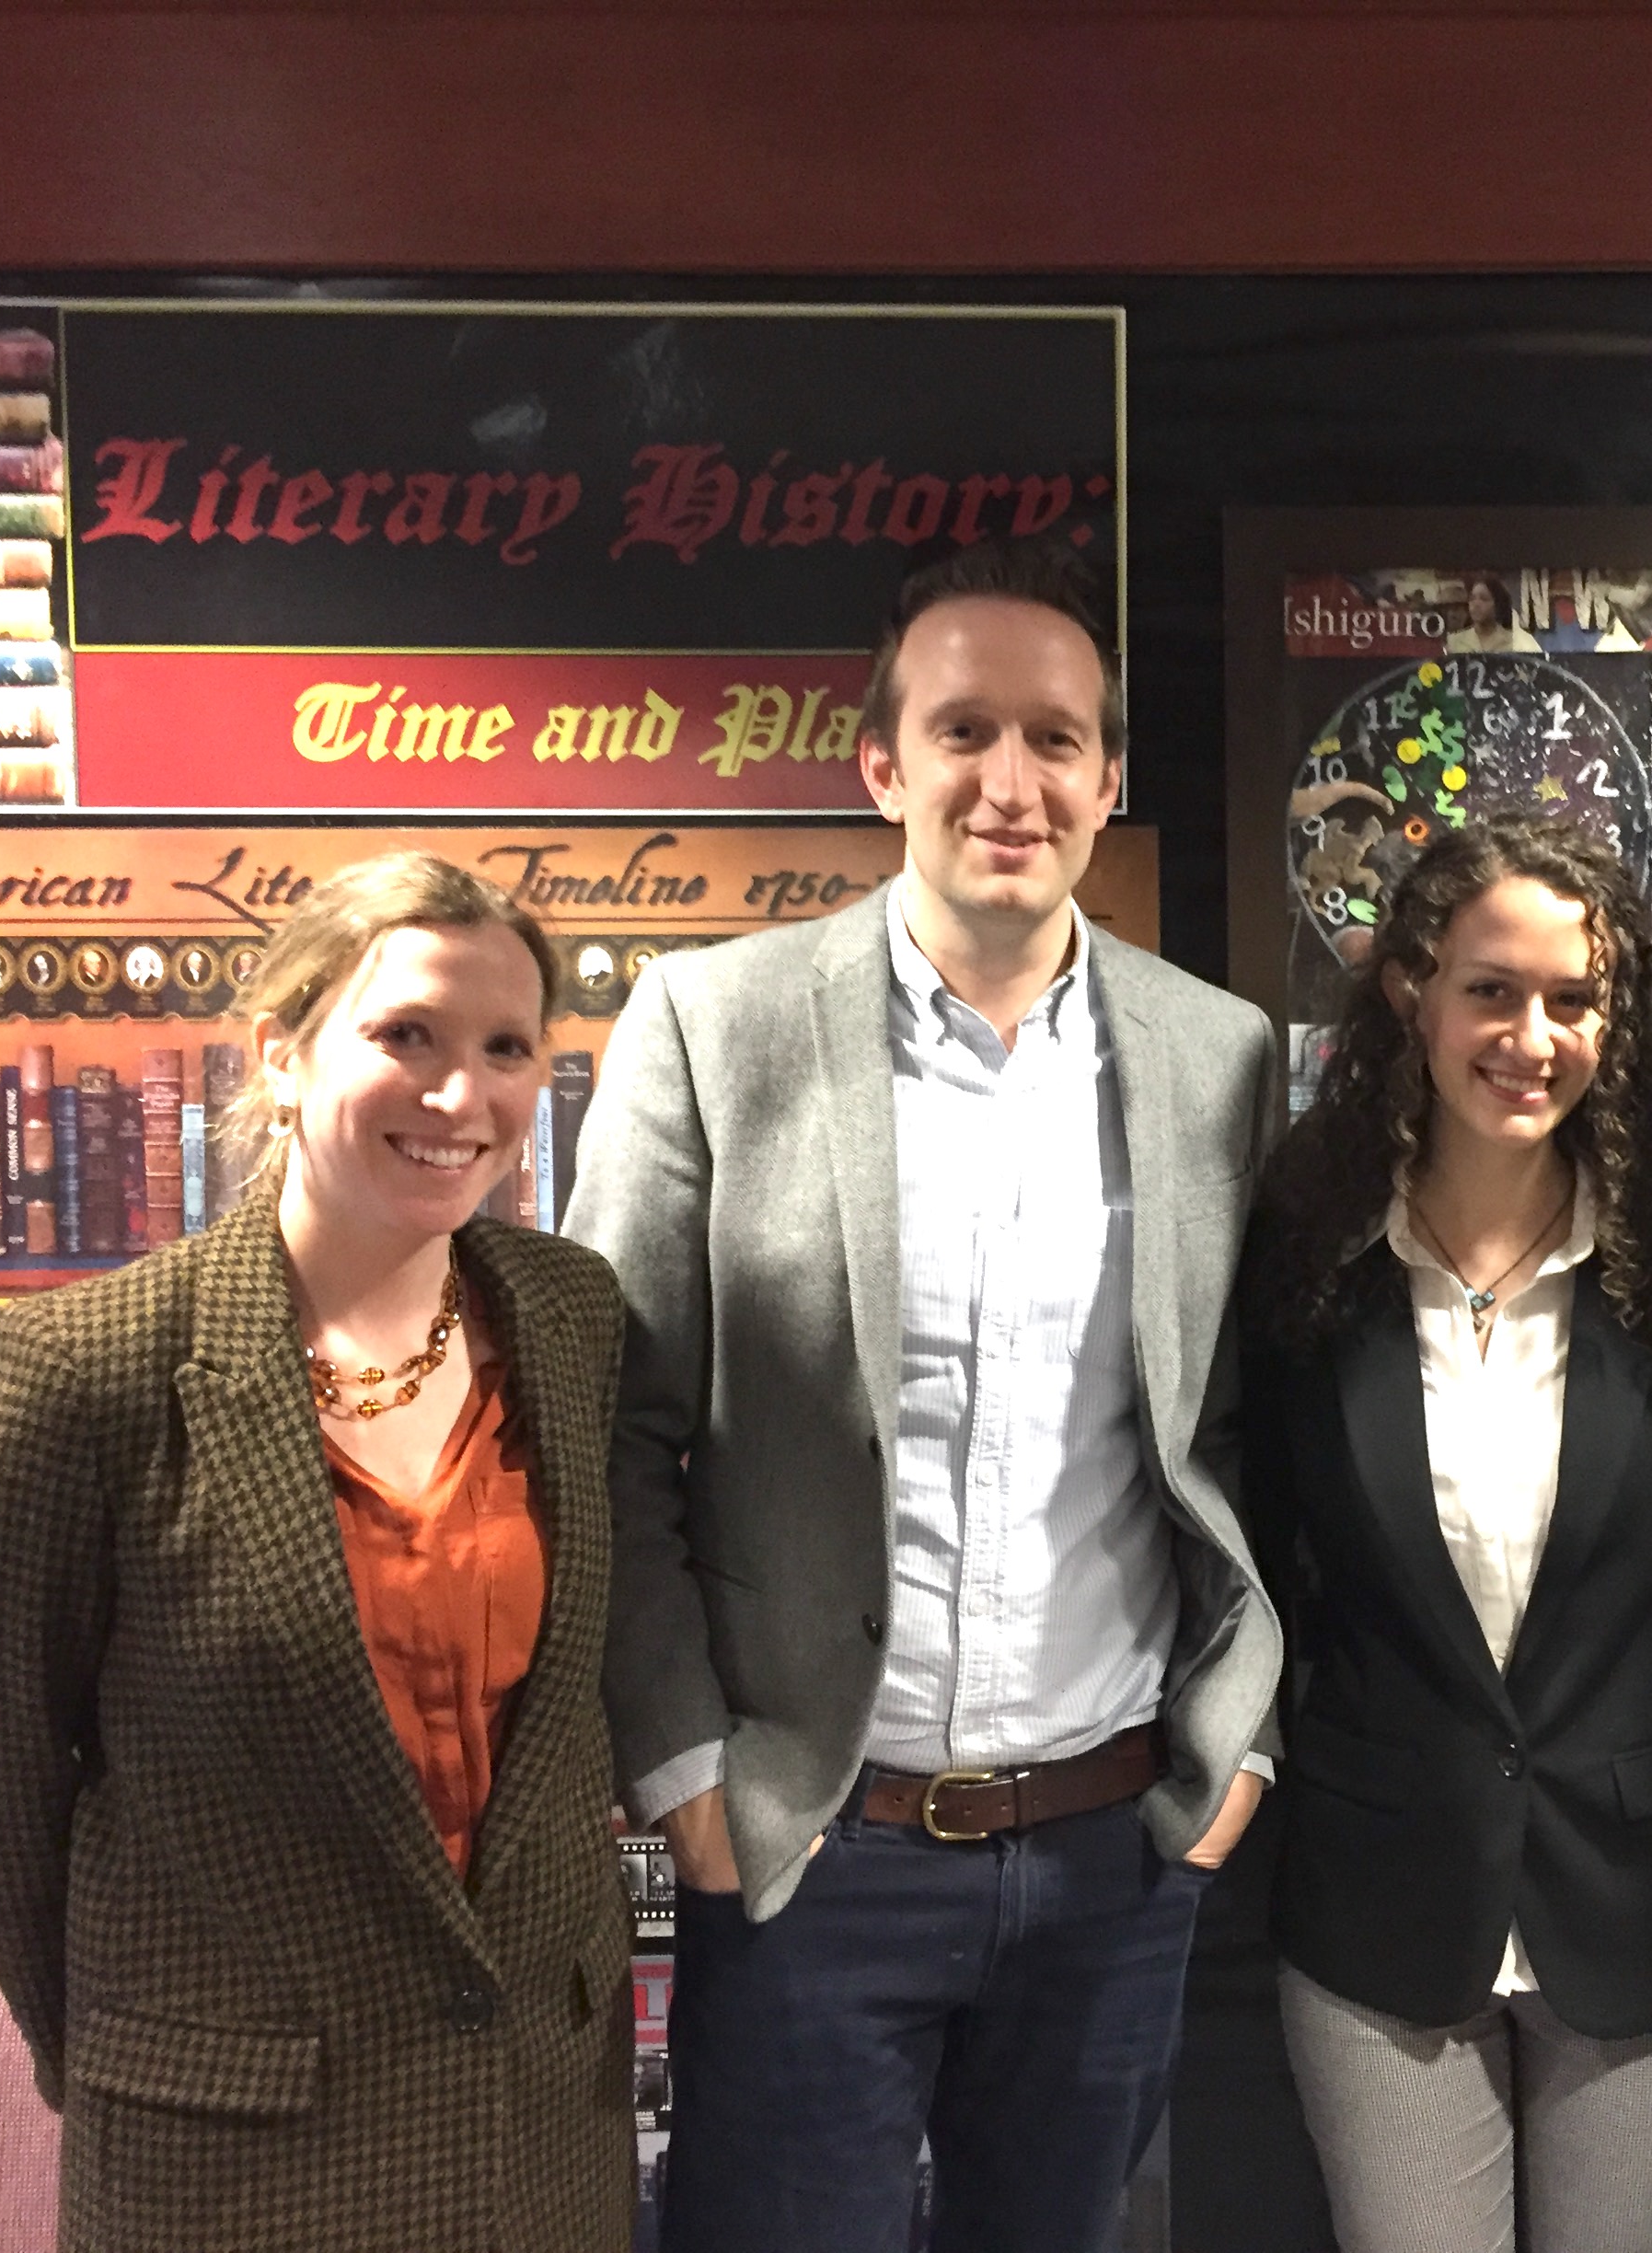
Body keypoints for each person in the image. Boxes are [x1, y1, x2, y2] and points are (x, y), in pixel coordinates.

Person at [565, 537, 1283, 2253]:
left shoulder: (1217, 1053)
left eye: (1056, 739)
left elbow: (1250, 1427)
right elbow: (608, 1423)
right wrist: (684, 1774)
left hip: (1114, 1846)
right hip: (819, 1844)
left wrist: (1237, 1741)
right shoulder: (708, 1023)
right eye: (964, 730)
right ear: (881, 761)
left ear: (1108, 780)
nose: (1010, 781)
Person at [0, 851, 635, 2253]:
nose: (459, 1095)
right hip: (227, 2147)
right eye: (404, 1035)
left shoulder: (571, 1318)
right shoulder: (90, 1369)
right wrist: (140, 2044)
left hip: (540, 2135)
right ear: (285, 1056)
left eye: (505, 1048)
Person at [1243, 815, 1652, 2253]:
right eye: (1492, 990)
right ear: (1413, 990)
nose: (1532, 1036)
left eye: (1574, 1001)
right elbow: (1260, 1557)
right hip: (1377, 1904)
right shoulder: (1307, 1265)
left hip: (1642, 1904)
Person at [1444, 574, 1542, 654]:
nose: (1476, 604)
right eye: (1472, 598)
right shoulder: (1454, 642)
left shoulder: (1518, 641)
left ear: (1498, 604)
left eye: (1484, 599)